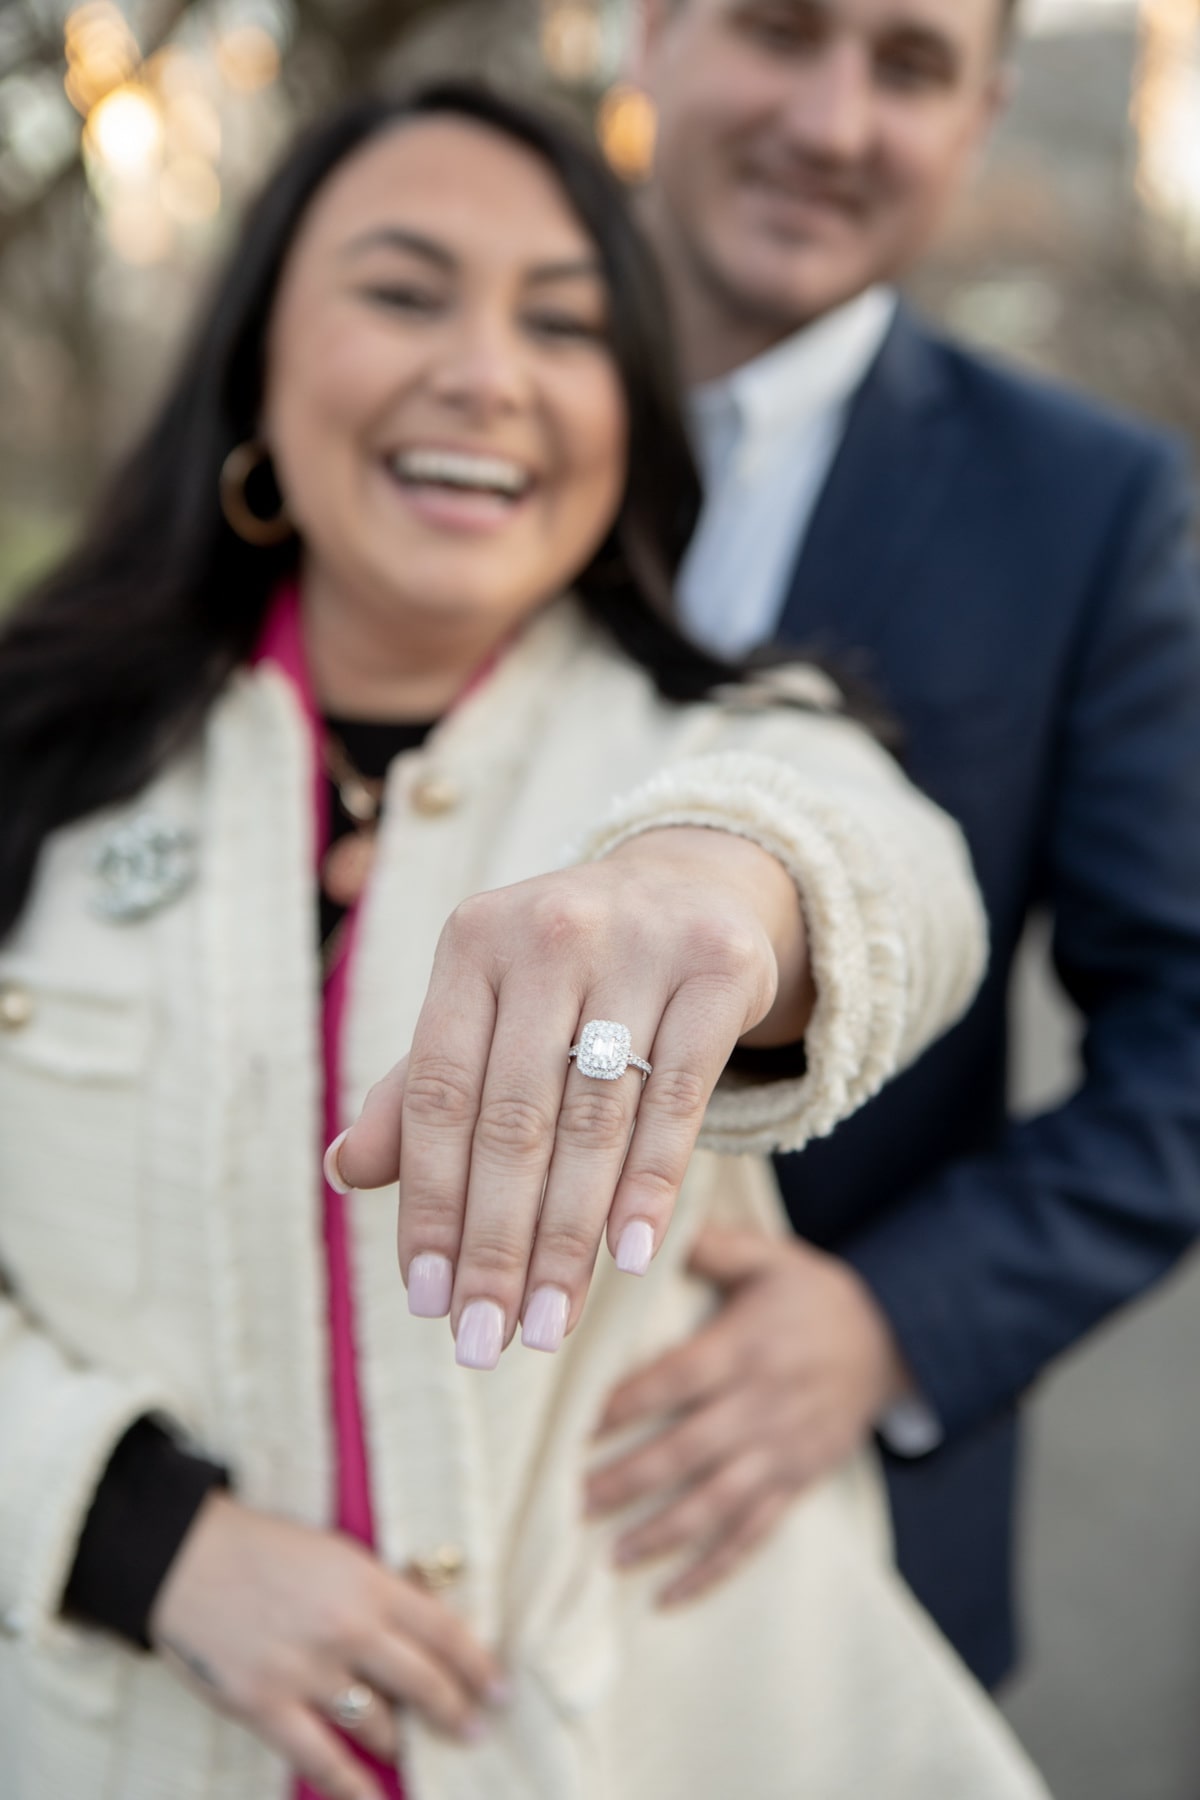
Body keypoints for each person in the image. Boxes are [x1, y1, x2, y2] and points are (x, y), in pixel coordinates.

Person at [0, 81, 1048, 1800]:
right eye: (406, 293)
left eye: (562, 323)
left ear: (623, 412)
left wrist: (721, 893)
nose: (486, 371)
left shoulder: (735, 744)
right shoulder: (42, 752)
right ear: (259, 358)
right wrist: (138, 1536)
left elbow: (891, 875)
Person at [585, 0, 1200, 1690]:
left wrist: (894, 1324)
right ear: (651, 38)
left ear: (985, 117)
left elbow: (1187, 1038)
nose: (836, 120)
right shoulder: (436, 414)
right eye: (781, 32)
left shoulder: (1091, 510)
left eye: (911, 67)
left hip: (832, 1555)